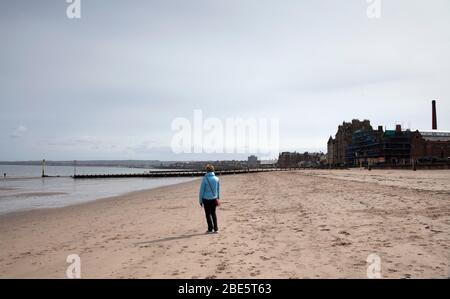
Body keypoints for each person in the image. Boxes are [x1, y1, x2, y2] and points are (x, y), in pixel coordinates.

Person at [199, 164, 220, 234]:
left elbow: (201, 191)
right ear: (213, 170)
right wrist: (218, 197)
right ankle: (216, 229)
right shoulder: (217, 179)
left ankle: (210, 229)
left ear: (207, 171)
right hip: (214, 198)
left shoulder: (205, 179)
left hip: (206, 199)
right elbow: (218, 190)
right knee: (213, 214)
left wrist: (200, 200)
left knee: (208, 214)